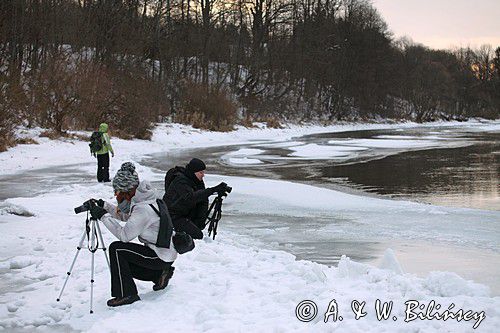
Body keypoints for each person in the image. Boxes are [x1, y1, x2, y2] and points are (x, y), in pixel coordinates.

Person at [89, 165, 177, 307]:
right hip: (164, 252)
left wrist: (103, 216)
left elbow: (124, 236)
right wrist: (104, 206)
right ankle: (160, 274)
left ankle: (127, 294)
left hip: (160, 254)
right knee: (124, 260)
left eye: (118, 192)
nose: (116, 196)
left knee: (117, 250)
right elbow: (126, 217)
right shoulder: (144, 200)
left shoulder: (143, 209)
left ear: (128, 190)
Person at [162, 158, 228, 239]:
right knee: (197, 235)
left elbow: (203, 199)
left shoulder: (197, 181)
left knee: (197, 232)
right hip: (172, 216)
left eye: (203, 172)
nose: (203, 175)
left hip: (185, 213)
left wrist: (200, 220)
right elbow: (191, 197)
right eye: (201, 172)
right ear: (193, 172)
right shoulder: (180, 181)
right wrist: (212, 190)